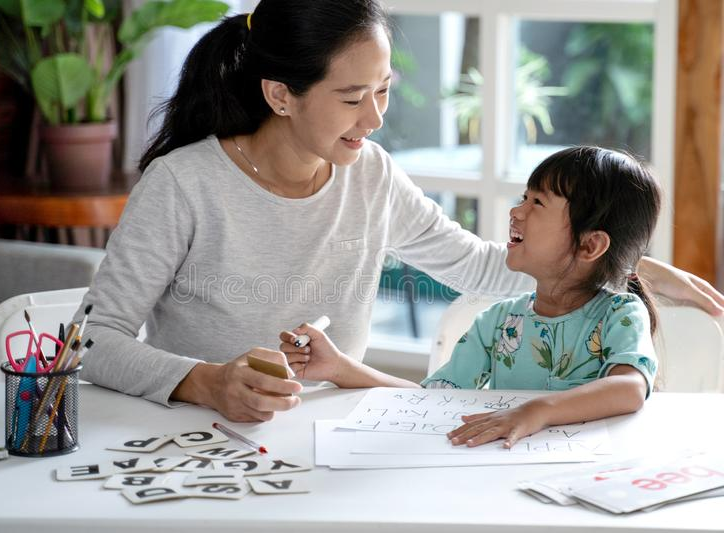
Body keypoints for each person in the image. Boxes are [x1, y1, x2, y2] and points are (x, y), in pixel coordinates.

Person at [75, 0, 724, 423]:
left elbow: (483, 267)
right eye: (354, 97)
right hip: (197, 438)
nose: (377, 117)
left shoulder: (372, 177)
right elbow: (93, 341)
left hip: (342, 435)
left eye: (383, 91)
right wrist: (210, 381)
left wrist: (630, 267)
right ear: (280, 95)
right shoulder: (184, 184)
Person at [281, 147, 662, 448]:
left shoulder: (620, 315)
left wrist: (538, 411)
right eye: (523, 197)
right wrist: (338, 368)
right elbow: (431, 399)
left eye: (538, 203)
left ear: (591, 244)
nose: (516, 211)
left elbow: (628, 389)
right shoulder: (499, 323)